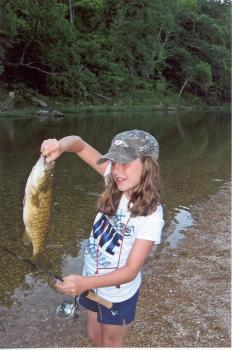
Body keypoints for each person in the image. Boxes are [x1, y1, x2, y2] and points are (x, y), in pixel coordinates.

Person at [41, 129, 164, 347]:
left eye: (125, 163)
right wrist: (59, 146)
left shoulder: (151, 215)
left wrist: (83, 283)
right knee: (94, 335)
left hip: (117, 294)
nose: (117, 171)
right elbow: (78, 143)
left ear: (148, 166)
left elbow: (130, 271)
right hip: (90, 283)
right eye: (114, 162)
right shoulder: (114, 182)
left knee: (111, 342)